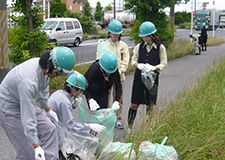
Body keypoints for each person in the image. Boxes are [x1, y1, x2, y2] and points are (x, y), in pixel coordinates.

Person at [0, 46, 76, 160]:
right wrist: (36, 146)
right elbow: (28, 117)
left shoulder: (43, 68)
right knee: (26, 152)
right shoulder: (28, 81)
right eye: (57, 73)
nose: (57, 77)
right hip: (9, 107)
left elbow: (44, 89)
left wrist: (47, 109)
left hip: (24, 101)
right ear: (51, 66)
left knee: (50, 130)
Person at [48, 71, 106, 159]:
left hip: (50, 129)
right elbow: (70, 125)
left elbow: (62, 113)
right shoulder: (65, 102)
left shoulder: (59, 94)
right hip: (54, 135)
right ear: (74, 89)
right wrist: (89, 127)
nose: (81, 93)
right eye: (81, 91)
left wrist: (73, 105)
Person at [128, 21, 167, 129]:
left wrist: (154, 68)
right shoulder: (138, 47)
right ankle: (130, 127)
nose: (145, 39)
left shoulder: (160, 48)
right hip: (139, 78)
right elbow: (133, 60)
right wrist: (138, 65)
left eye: (146, 37)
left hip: (152, 79)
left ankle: (148, 127)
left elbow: (164, 63)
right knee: (134, 104)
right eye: (143, 37)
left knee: (150, 105)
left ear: (152, 35)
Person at [105, 19, 130, 129]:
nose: (115, 35)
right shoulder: (104, 45)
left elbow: (126, 59)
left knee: (119, 98)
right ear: (109, 32)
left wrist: (121, 70)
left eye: (117, 33)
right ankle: (105, 119)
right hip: (107, 77)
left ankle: (118, 119)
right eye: (113, 33)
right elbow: (99, 59)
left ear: (120, 33)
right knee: (105, 97)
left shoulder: (123, 45)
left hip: (120, 76)